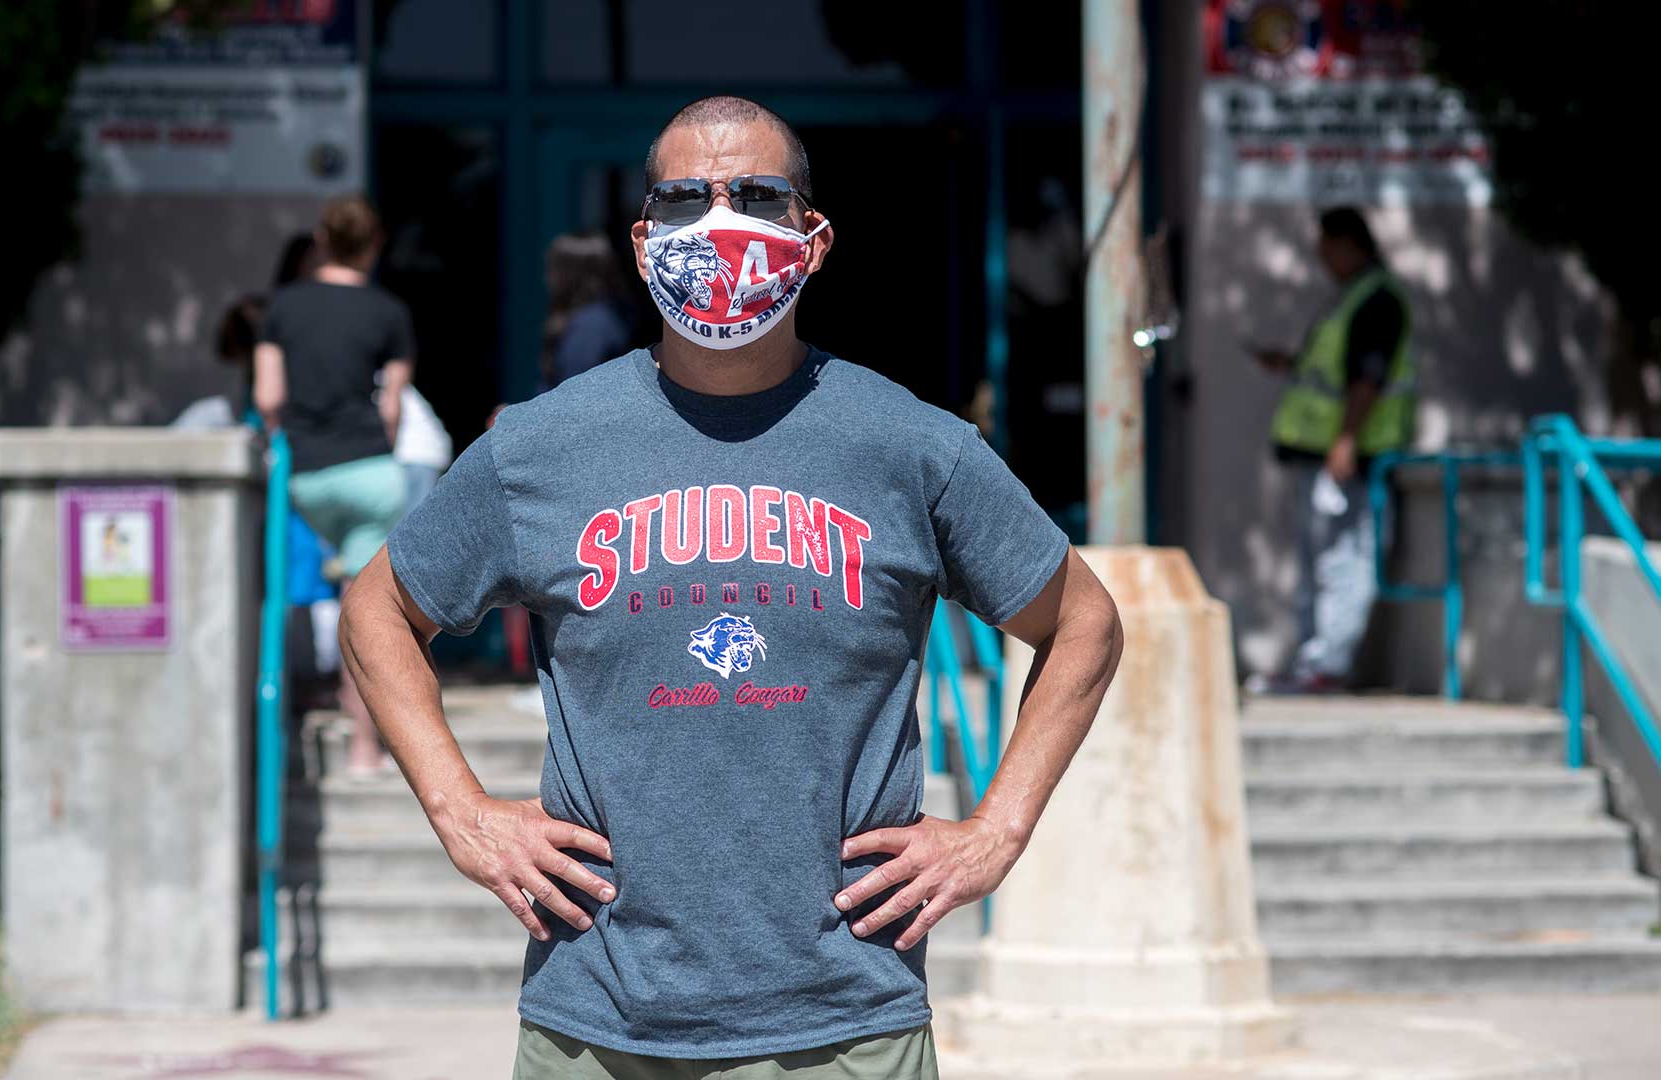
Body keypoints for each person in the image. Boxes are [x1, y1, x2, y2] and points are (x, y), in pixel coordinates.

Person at [339, 96, 1125, 1077]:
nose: (719, 222)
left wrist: (997, 831)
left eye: (756, 195)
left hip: (846, 1022)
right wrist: (462, 812)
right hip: (597, 1018)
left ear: (814, 236)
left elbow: (1084, 622)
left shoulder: (910, 447)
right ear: (640, 242)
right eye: (683, 200)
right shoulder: (542, 447)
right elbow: (378, 606)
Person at [256, 195, 417, 776]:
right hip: (369, 471)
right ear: (375, 244)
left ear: (322, 239)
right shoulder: (387, 312)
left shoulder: (284, 307)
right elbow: (392, 409)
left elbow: (267, 399)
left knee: (280, 584)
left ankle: (286, 719)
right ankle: (363, 749)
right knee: (367, 612)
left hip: (304, 474)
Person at [1247, 207, 1416, 694]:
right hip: (1324, 457)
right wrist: (1289, 363)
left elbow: (1369, 378)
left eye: (1327, 247)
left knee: (1344, 561)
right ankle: (1313, 661)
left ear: (1351, 244)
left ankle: (1328, 665)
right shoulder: (1351, 298)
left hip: (1351, 462)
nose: (1322, 258)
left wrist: (1344, 443)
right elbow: (1337, 374)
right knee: (1319, 560)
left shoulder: (1376, 300)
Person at [540, 231, 636, 393]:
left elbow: (572, 394)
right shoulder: (601, 316)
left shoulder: (591, 326)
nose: (547, 277)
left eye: (553, 268)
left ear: (571, 274)